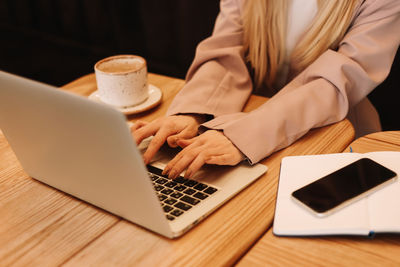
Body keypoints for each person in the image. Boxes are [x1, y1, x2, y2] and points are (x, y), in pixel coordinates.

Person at [132, 0, 400, 179]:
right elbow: (227, 47)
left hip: (332, 136)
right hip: (241, 121)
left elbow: (336, 82)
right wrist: (194, 113)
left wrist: (243, 135)